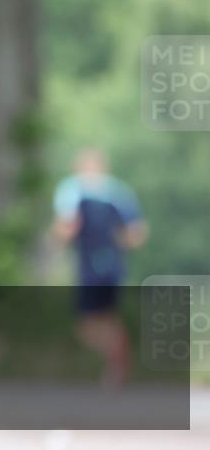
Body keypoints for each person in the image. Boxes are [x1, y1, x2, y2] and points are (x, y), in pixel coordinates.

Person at [51, 147, 148, 389]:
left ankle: (117, 361)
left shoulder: (72, 190)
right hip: (113, 266)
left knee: (86, 324)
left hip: (90, 267)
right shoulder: (119, 192)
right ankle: (117, 363)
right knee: (106, 318)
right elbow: (137, 235)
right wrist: (115, 243)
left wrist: (56, 243)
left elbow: (66, 228)